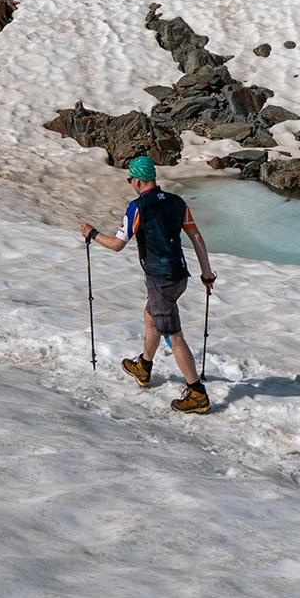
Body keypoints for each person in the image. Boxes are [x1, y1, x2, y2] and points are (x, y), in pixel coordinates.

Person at [79, 156, 217, 415]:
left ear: (139, 180)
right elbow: (196, 236)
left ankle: (197, 393)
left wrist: (92, 233)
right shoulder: (177, 202)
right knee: (150, 316)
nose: (131, 184)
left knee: (174, 335)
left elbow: (117, 245)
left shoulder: (137, 208)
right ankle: (144, 366)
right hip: (180, 276)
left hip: (160, 279)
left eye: (131, 179)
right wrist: (206, 273)